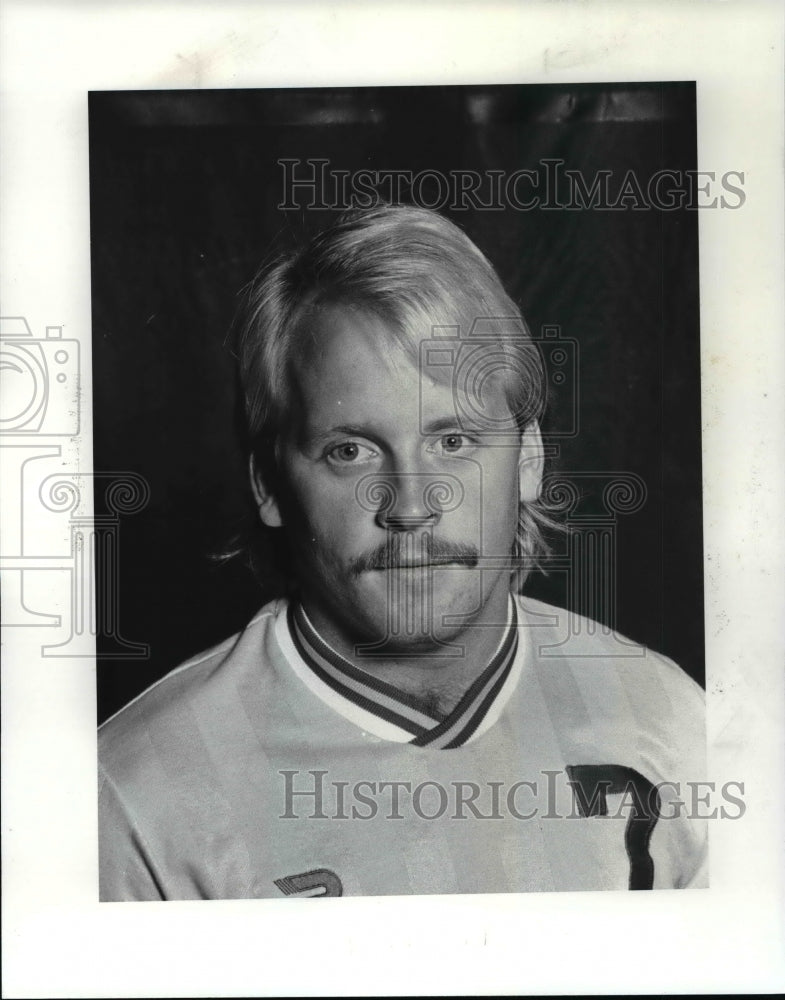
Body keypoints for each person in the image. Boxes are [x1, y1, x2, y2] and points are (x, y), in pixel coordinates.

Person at [98, 205, 707, 900]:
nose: (411, 504)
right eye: (349, 451)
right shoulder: (132, 799)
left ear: (528, 458)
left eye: (454, 442)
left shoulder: (666, 716)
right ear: (268, 485)